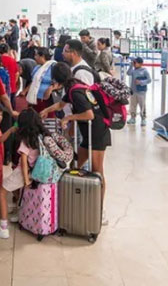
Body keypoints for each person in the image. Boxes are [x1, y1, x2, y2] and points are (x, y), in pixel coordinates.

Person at [40, 62, 111, 225]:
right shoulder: (73, 87)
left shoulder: (76, 92)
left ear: (57, 79)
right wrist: (46, 111)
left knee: (97, 171)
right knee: (77, 164)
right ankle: (81, 195)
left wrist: (69, 118)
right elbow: (61, 104)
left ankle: (100, 210)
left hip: (97, 133)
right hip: (88, 134)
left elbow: (89, 115)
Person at [0, 108, 45, 239]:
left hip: (23, 172)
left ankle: (3, 228)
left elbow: (24, 161)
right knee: (21, 192)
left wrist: (25, 179)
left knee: (2, 192)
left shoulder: (26, 140)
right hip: (35, 170)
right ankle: (21, 214)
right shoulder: (40, 136)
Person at [22, 47, 57, 112]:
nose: (34, 57)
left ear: (42, 56)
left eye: (36, 55)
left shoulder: (53, 67)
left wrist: (51, 88)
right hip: (35, 98)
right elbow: (33, 81)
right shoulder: (37, 67)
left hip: (47, 100)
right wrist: (25, 91)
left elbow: (58, 82)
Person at [126, 57, 150, 126]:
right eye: (134, 62)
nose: (134, 64)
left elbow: (149, 80)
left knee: (142, 105)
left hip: (141, 92)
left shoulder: (144, 71)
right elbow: (128, 73)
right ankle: (132, 118)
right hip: (133, 91)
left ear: (140, 64)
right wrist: (131, 66)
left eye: (135, 63)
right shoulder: (133, 70)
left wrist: (141, 82)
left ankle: (143, 118)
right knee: (133, 105)